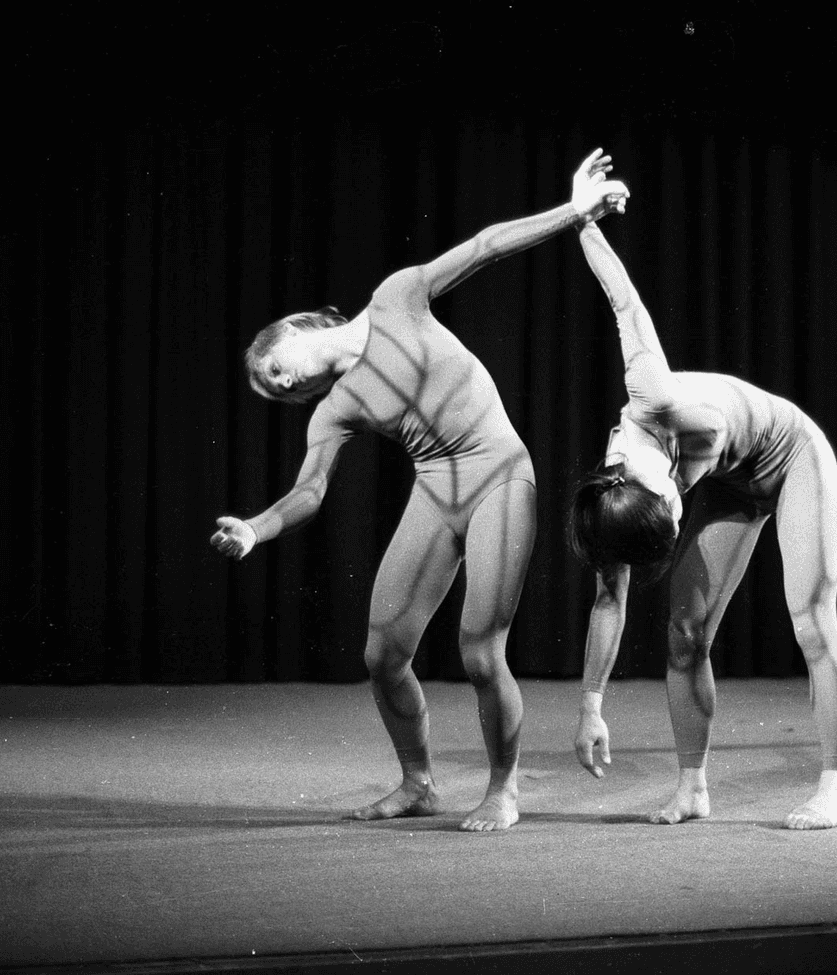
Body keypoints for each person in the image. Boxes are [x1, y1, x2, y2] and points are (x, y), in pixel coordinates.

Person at [210, 150, 629, 832]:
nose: (280, 386)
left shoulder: (397, 296)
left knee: (478, 649)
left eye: (274, 369)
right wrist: (256, 528)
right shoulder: (334, 408)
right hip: (437, 492)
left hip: (500, 475)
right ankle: (418, 782)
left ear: (295, 330)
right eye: (271, 389)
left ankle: (503, 788)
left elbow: (486, 247)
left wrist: (574, 211)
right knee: (382, 652)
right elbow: (309, 491)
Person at [566, 215, 837, 830]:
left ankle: (835, 788)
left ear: (660, 494)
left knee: (810, 618)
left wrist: (582, 219)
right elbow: (608, 600)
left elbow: (624, 302)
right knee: (684, 631)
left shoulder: (653, 395)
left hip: (793, 453)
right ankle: (693, 787)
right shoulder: (609, 508)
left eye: (673, 515)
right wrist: (591, 704)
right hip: (735, 484)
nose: (677, 516)